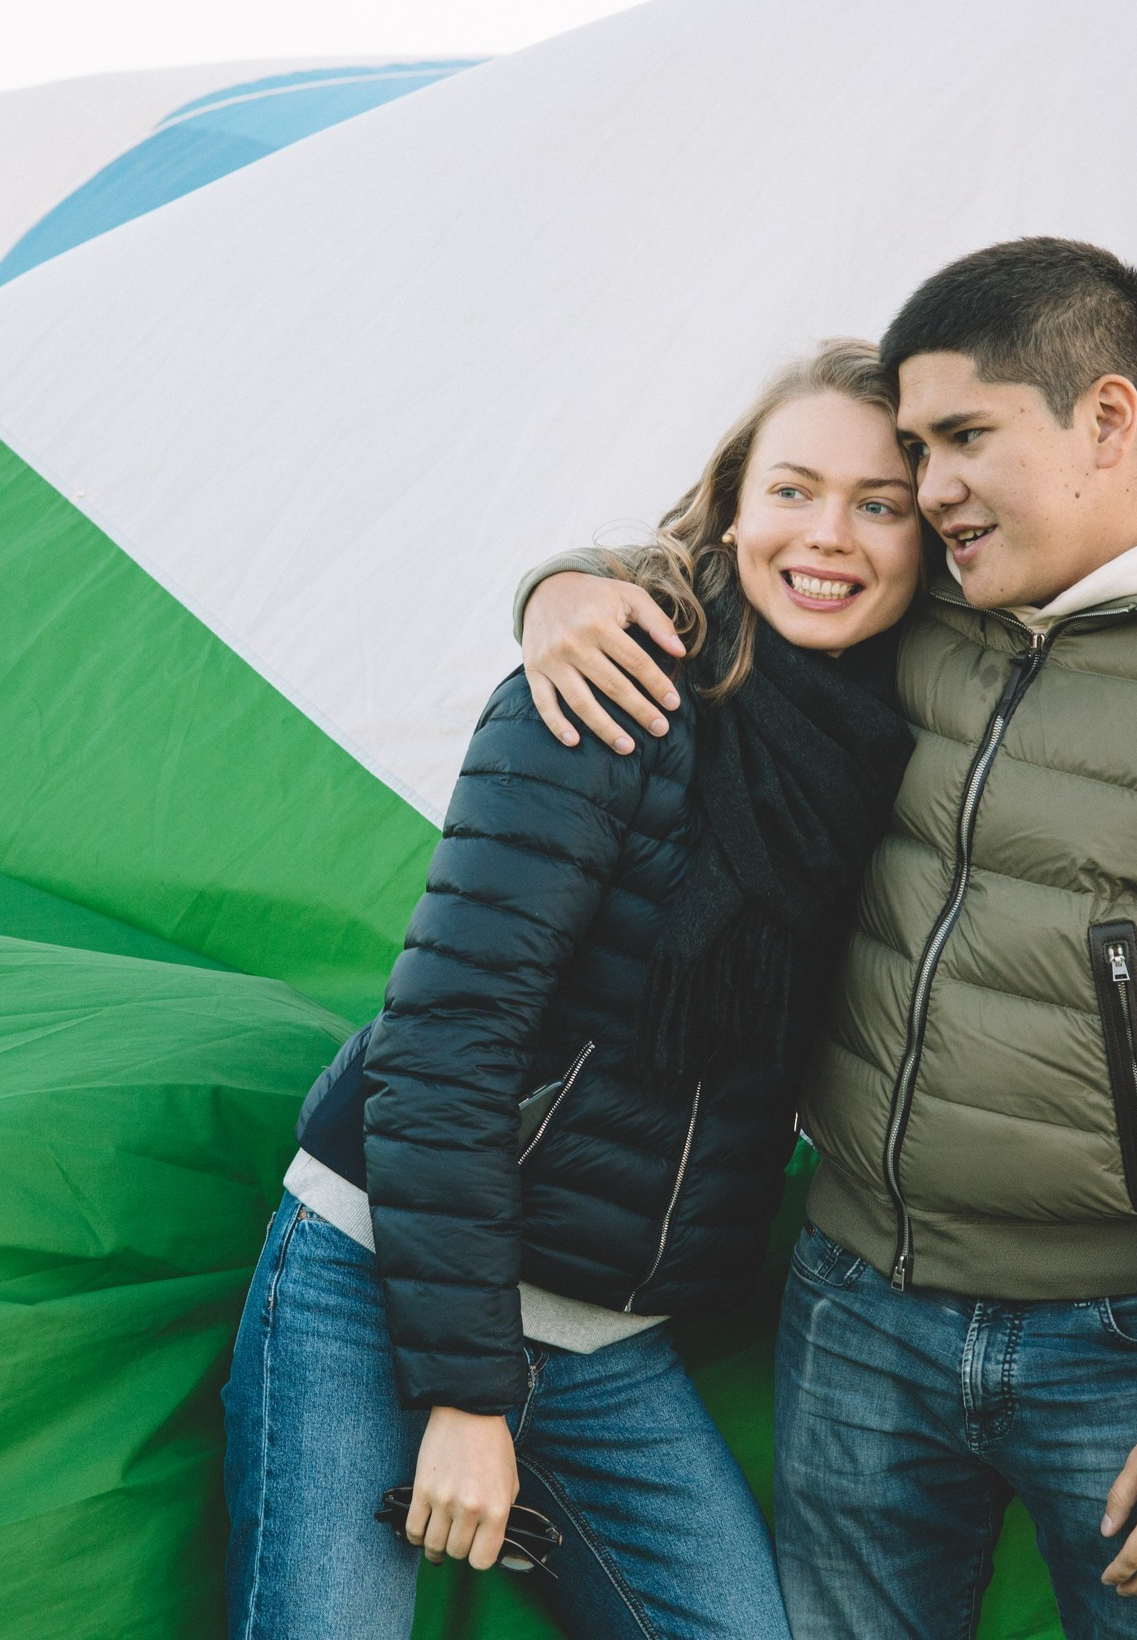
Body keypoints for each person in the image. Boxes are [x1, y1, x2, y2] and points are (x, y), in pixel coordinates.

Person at [514, 238, 1137, 1639]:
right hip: (859, 1307)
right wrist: (566, 585)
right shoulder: (919, 606)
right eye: (918, 451)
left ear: (1106, 419)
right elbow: (748, 552)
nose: (926, 492)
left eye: (962, 439)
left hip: (1129, 1351)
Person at [222, 340, 928, 1639]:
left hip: (605, 1335)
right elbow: (447, 1041)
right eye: (793, 490)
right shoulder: (605, 689)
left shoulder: (891, 749)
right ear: (731, 503)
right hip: (384, 1271)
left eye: (880, 503)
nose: (827, 535)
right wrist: (471, 1398)